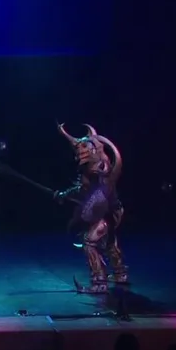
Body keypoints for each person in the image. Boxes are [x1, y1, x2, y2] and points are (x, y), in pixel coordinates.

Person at [54, 123, 125, 292]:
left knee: (90, 242)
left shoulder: (99, 168)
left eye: (83, 147)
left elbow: (87, 190)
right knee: (108, 241)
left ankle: (99, 283)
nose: (79, 151)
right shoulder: (95, 168)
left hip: (108, 211)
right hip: (112, 210)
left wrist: (65, 194)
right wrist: (65, 194)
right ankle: (120, 274)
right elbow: (85, 190)